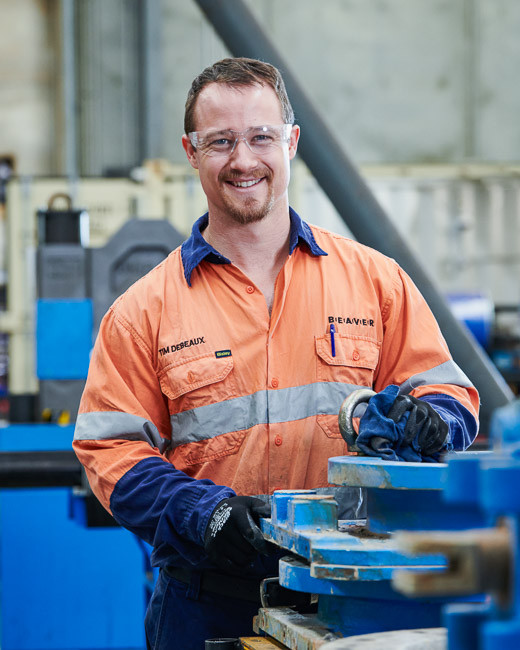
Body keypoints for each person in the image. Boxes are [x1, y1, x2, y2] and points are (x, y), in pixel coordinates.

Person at [73, 57, 479, 648]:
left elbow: (451, 397)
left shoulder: (375, 281)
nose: (243, 160)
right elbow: (109, 452)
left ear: (290, 142)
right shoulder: (143, 310)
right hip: (207, 604)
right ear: (191, 152)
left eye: (261, 137)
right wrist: (199, 512)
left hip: (355, 597)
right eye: (220, 142)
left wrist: (432, 422)